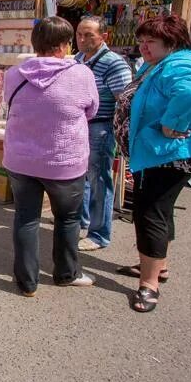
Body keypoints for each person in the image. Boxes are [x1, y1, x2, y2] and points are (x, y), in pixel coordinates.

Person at [112, 14, 191, 312]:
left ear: (171, 42)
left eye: (151, 42)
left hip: (168, 156)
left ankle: (149, 286)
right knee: (160, 210)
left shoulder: (179, 64)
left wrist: (172, 124)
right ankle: (160, 267)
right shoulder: (159, 63)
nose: (143, 47)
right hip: (157, 153)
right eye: (141, 41)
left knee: (149, 214)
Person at [2, 16, 99, 297]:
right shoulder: (81, 74)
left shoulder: (13, 75)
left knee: (26, 217)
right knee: (67, 219)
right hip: (64, 161)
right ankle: (66, 273)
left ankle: (26, 282)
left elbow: (11, 103)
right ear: (65, 45)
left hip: (21, 159)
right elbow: (91, 110)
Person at [74, 16, 133, 251]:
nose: (82, 39)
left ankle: (99, 234)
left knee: (99, 180)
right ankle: (82, 219)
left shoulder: (113, 63)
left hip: (101, 127)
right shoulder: (79, 59)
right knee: (82, 176)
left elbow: (125, 101)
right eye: (80, 33)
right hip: (82, 125)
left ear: (103, 37)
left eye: (89, 34)